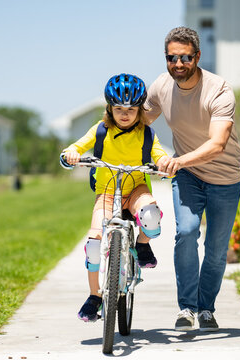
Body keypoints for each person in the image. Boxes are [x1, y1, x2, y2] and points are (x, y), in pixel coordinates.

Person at [145, 27, 240, 332]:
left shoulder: (219, 89)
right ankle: (187, 308)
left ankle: (206, 309)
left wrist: (175, 160)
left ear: (197, 56)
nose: (178, 64)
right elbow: (136, 121)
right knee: (186, 233)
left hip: (225, 178)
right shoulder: (161, 86)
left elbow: (217, 144)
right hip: (188, 175)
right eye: (172, 58)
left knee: (215, 249)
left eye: (185, 57)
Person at [61, 73, 169, 322]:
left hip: (136, 190)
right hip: (107, 192)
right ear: (109, 108)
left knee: (151, 216)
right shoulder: (100, 130)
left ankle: (142, 244)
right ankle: (95, 296)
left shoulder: (147, 133)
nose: (125, 113)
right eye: (119, 108)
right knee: (95, 243)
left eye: (131, 109)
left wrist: (163, 162)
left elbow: (159, 153)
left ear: (139, 110)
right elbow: (76, 146)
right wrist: (71, 155)